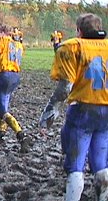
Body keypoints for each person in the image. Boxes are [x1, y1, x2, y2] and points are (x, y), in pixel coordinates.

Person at [39, 13, 108, 201]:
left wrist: (48, 114)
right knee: (101, 161)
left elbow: (65, 87)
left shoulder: (73, 47)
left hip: (83, 109)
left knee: (76, 164)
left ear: (79, 30)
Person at [0, 24, 30, 153]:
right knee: (5, 101)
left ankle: (20, 134)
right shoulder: (18, 45)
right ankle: (1, 131)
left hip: (5, 75)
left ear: (3, 33)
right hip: (15, 76)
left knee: (0, 109)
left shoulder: (1, 41)